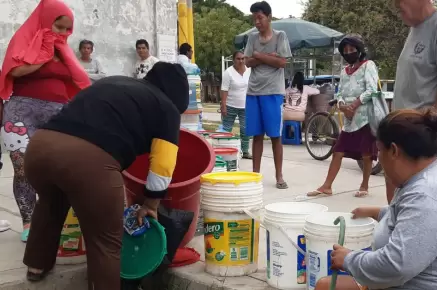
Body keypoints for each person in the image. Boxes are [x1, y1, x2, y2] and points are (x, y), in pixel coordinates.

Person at [22, 62, 188, 290]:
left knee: (51, 203)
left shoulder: (115, 83)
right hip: (87, 162)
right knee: (106, 240)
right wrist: (151, 202)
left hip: (39, 148)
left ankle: (36, 266)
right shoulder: (167, 108)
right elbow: (163, 163)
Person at [316, 108, 437, 290]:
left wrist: (348, 259)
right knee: (325, 285)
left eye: (379, 150)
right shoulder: (429, 175)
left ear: (394, 150)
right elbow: (409, 216)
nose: (378, 157)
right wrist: (378, 212)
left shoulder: (426, 195)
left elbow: (396, 266)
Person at [0, 0, 90, 242]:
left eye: (66, 30)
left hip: (58, 115)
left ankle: (54, 220)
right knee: (22, 170)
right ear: (45, 20)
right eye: (58, 27)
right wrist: (44, 53)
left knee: (60, 170)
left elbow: (76, 79)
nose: (62, 34)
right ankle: (29, 222)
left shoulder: (63, 49)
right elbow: (14, 70)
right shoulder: (24, 40)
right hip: (21, 114)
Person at [386, 0, 437, 203]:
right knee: (396, 188)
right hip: (402, 124)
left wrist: (433, 117)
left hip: (420, 128)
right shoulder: (414, 29)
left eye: (400, 4)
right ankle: (394, 227)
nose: (398, 10)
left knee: (419, 194)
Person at [307, 34, 379, 198]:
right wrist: (342, 105)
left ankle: (364, 185)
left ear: (359, 50)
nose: (348, 52)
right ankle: (327, 186)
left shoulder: (368, 66)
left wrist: (354, 105)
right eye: (345, 50)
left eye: (352, 49)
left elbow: (372, 90)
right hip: (348, 120)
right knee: (338, 151)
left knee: (366, 154)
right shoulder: (344, 71)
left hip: (364, 118)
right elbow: (340, 93)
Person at [244, 1, 292, 189]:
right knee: (256, 135)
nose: (257, 22)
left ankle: (279, 176)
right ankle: (256, 175)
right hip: (253, 91)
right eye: (254, 18)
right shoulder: (252, 38)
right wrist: (268, 57)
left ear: (269, 17)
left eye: (260, 18)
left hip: (273, 92)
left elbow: (281, 62)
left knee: (275, 136)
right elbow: (247, 62)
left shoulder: (280, 36)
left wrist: (259, 56)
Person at [221, 51, 252, 159]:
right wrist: (223, 105)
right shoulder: (228, 72)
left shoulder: (249, 71)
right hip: (230, 105)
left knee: (245, 130)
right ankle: (222, 149)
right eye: (238, 59)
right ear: (234, 60)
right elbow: (224, 90)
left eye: (243, 58)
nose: (241, 61)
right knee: (226, 129)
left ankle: (245, 151)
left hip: (245, 106)